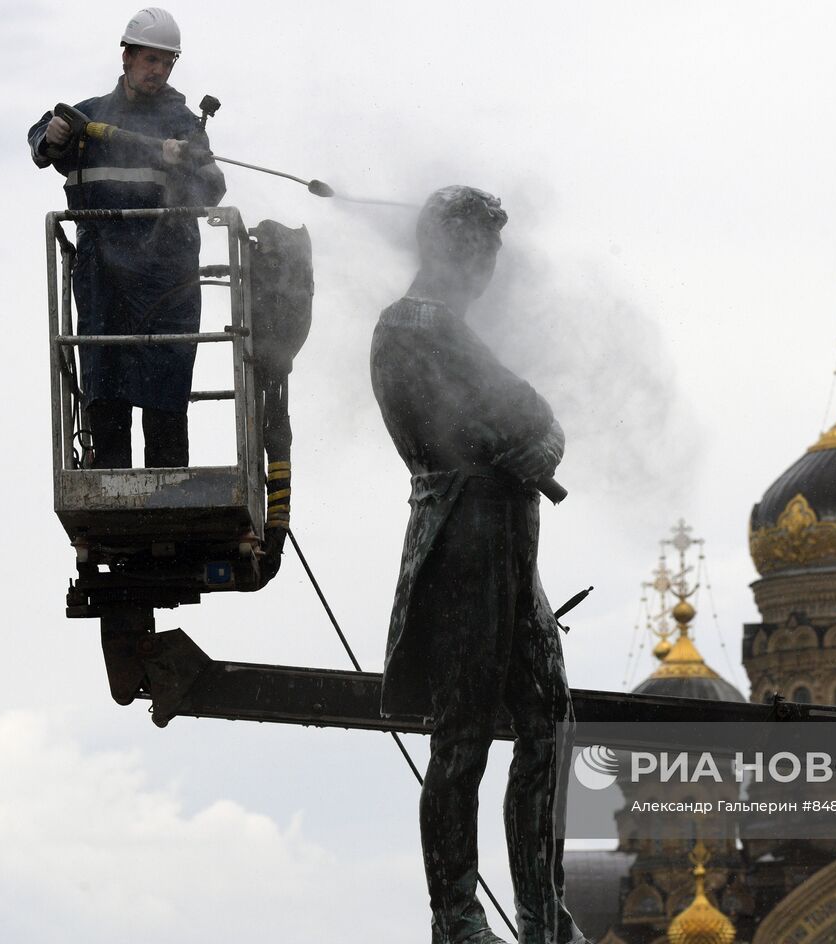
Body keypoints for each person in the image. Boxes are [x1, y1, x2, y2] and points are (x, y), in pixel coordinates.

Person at [371, 186, 588, 944]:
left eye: (494, 251)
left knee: (549, 723)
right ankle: (457, 917)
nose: (488, 265)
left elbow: (539, 423)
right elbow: (507, 415)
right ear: (442, 246)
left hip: (509, 546)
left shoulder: (449, 330)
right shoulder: (415, 326)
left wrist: (538, 438)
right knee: (460, 738)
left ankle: (541, 915)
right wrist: (530, 436)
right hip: (462, 541)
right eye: (479, 248)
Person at [28, 7, 226, 468]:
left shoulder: (184, 128)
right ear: (127, 56)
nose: (157, 71)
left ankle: (168, 493)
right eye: (149, 60)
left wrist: (188, 163)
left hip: (167, 278)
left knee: (165, 395)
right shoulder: (87, 120)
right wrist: (51, 133)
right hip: (103, 280)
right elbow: (41, 143)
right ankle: (111, 485)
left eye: (166, 62)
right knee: (105, 388)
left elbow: (213, 188)